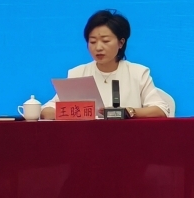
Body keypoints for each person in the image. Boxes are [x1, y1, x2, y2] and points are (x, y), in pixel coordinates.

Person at [42, 9, 174, 119]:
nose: (98, 47)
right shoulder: (78, 74)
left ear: (121, 43)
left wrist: (128, 112)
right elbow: (46, 111)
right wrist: (76, 113)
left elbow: (161, 110)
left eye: (105, 41)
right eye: (92, 42)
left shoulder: (138, 73)